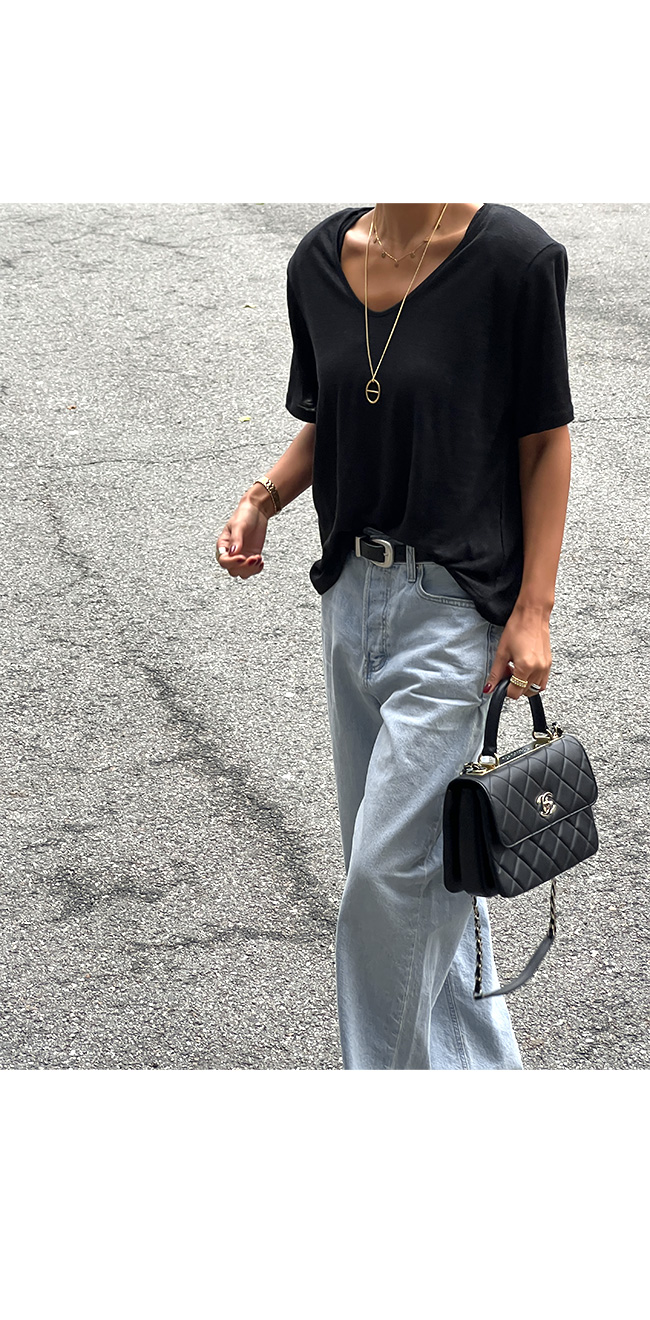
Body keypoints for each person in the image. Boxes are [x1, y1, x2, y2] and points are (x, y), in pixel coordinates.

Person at [216, 202, 574, 1070]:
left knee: (389, 882)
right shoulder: (320, 261)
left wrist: (533, 611)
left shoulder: (516, 260)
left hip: (453, 613)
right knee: (422, 878)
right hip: (351, 602)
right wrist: (262, 499)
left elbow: (544, 445)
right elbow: (335, 417)